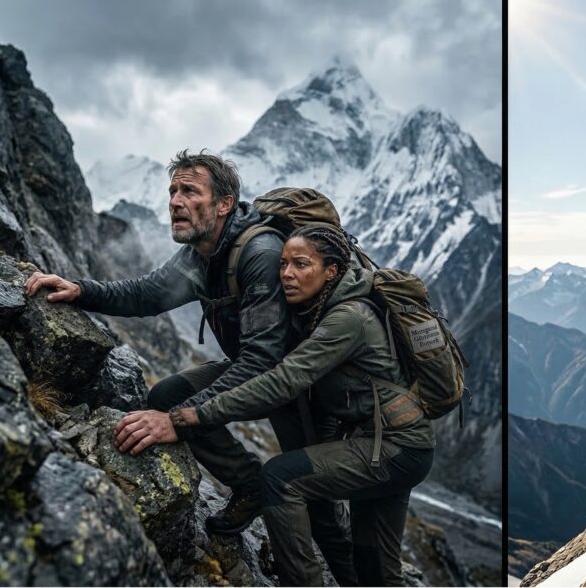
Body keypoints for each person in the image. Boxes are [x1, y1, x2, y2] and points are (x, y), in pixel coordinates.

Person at [23, 150, 357, 585]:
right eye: (173, 191)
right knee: (166, 395)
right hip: (258, 370)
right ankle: (249, 484)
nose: (175, 202)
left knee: (321, 512)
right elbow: (145, 294)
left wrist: (178, 424)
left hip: (305, 388)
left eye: (189, 192)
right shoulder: (201, 253)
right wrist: (80, 290)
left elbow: (263, 360)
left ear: (223, 203)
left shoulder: (259, 251)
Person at [117, 223, 435, 586]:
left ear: (331, 271)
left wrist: (192, 416)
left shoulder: (347, 319)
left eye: (301, 264)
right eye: (283, 263)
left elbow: (285, 380)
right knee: (375, 571)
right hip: (391, 445)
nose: (286, 273)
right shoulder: (320, 306)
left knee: (281, 479)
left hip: (394, 449)